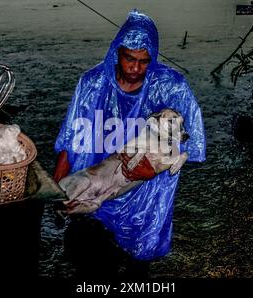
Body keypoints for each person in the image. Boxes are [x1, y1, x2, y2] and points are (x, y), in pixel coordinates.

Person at [53, 9, 206, 279]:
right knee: (91, 269)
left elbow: (190, 139)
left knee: (135, 275)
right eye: (129, 59)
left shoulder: (171, 86)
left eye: (144, 61)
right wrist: (56, 189)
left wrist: (159, 164)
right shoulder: (92, 84)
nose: (136, 68)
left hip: (144, 200)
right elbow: (70, 139)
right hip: (97, 190)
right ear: (117, 52)